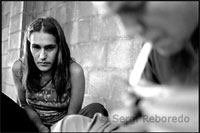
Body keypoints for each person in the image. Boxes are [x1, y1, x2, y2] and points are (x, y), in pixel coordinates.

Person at [11, 17, 108, 132]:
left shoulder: (74, 71)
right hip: (33, 125)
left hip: (63, 127)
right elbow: (24, 105)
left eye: (50, 47)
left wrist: (55, 130)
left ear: (59, 47)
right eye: (36, 47)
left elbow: (72, 116)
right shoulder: (19, 68)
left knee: (96, 110)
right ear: (29, 46)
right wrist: (41, 127)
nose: (42, 56)